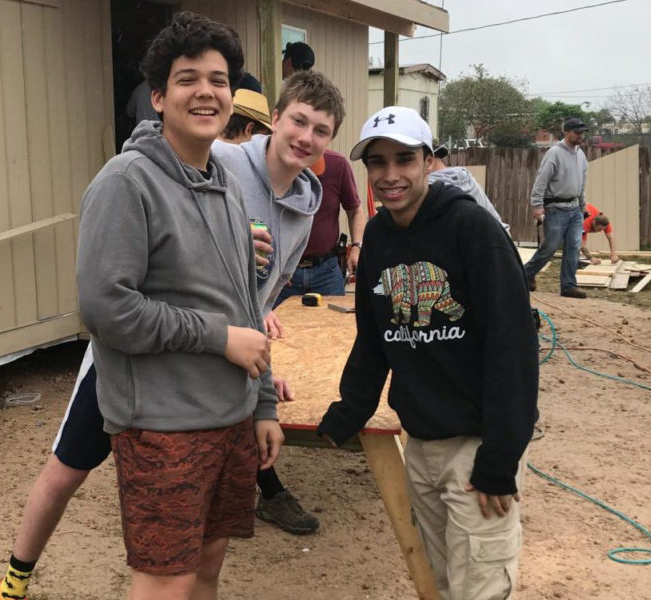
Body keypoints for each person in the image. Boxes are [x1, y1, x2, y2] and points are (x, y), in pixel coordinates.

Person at [0, 13, 284, 600]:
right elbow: (105, 307)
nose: (206, 91)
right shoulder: (126, 182)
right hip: (163, 427)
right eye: (187, 79)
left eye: (219, 79)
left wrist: (263, 402)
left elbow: (245, 305)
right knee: (165, 582)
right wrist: (216, 337)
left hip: (228, 420)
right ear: (157, 97)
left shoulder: (226, 190)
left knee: (207, 568)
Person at [318, 106, 538, 600]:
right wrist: (350, 410)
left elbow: (513, 346)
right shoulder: (376, 236)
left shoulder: (471, 229)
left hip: (476, 444)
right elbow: (374, 337)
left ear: (427, 161)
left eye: (404, 159)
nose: (391, 175)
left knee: (479, 587)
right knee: (439, 582)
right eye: (377, 163)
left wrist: (499, 459)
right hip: (420, 443)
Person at [213, 70, 345, 534]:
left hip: (227, 349)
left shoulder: (304, 206)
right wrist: (230, 238)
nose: (306, 137)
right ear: (274, 119)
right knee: (71, 460)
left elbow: (260, 301)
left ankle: (265, 493)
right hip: (170, 336)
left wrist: (264, 378)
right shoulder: (221, 159)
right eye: (298, 121)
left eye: (321, 130)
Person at [275, 148, 365, 303]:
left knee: (335, 325)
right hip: (284, 271)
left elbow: (355, 211)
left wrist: (357, 247)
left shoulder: (337, 165)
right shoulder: (272, 165)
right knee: (278, 325)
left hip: (327, 271)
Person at [523, 117, 590, 298]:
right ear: (566, 132)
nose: (580, 135)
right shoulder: (554, 153)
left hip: (575, 209)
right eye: (577, 132)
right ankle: (525, 274)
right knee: (550, 247)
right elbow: (541, 181)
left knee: (573, 247)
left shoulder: (581, 155)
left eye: (582, 132)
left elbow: (581, 184)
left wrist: (583, 206)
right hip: (555, 208)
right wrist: (537, 206)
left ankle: (568, 285)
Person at [429, 144, 510, 233]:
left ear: (429, 161)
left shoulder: (428, 191)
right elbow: (500, 227)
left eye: (411, 160)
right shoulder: (469, 182)